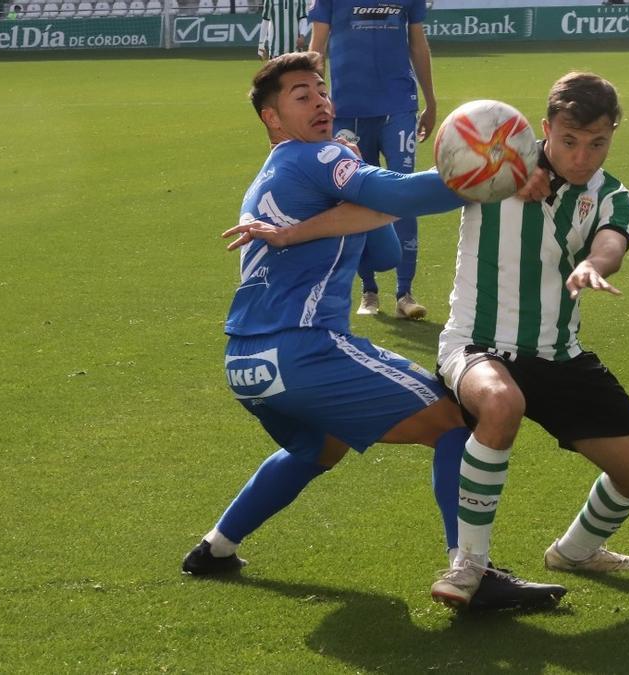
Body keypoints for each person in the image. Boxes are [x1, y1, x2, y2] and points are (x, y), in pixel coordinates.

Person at [181, 52, 565, 611]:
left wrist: (354, 193)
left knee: (319, 447)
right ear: (272, 118)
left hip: (248, 363)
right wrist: (490, 170)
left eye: (321, 90)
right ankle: (472, 572)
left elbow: (381, 252)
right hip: (304, 347)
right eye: (301, 96)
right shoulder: (313, 156)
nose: (320, 101)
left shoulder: (281, 175)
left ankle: (215, 547)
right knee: (457, 418)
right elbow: (405, 197)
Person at [427, 72, 629, 606]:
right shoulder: (497, 165)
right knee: (501, 402)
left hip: (560, 356)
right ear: (545, 131)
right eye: (569, 142)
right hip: (477, 343)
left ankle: (576, 550)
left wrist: (592, 264)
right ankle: (469, 566)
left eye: (598, 143)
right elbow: (434, 174)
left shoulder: (613, 195)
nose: (582, 157)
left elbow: (612, 242)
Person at [308, 0, 437, 320]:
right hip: (347, 113)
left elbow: (417, 43)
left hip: (398, 107)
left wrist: (431, 99)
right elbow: (317, 49)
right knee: (358, 197)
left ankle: (405, 292)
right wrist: (317, 104)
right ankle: (369, 290)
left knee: (404, 195)